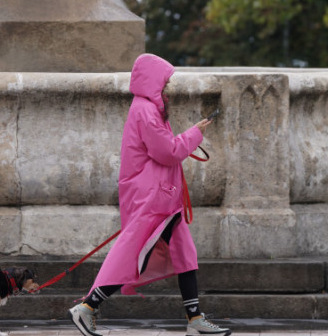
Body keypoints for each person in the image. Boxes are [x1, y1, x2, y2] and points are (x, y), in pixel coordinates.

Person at [68, 53, 230, 336]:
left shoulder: (146, 108)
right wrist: (194, 133)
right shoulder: (145, 110)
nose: (167, 88)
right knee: (132, 255)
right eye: (164, 82)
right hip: (152, 198)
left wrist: (190, 135)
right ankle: (88, 307)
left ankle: (195, 320)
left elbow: (164, 148)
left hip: (161, 197)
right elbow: (168, 152)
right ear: (153, 82)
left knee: (183, 254)